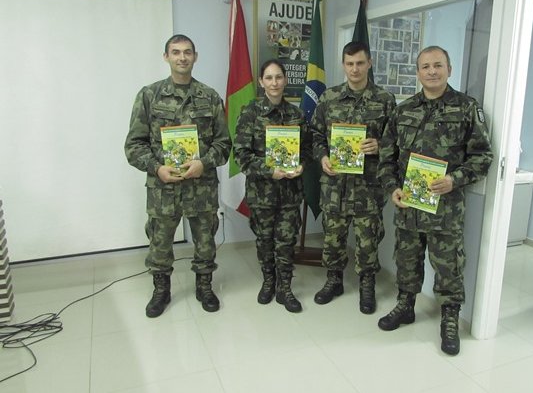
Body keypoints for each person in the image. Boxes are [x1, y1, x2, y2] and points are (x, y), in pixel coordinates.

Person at [376, 46, 492, 355]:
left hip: (446, 210)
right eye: (425, 66)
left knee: (448, 267)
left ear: (449, 69)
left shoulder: (467, 108)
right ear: (417, 72)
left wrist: (455, 179)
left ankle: (450, 320)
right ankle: (406, 305)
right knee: (407, 261)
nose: (431, 71)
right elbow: (387, 157)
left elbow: (483, 157)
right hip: (409, 207)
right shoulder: (403, 111)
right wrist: (392, 189)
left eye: (437, 65)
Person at [124, 34, 231, 318]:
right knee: (160, 243)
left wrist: (205, 164)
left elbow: (224, 145)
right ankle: (161, 290)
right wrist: (157, 167)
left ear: (195, 57)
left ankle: (205, 286)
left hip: (202, 186)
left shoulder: (210, 97)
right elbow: (133, 146)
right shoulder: (149, 95)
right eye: (176, 52)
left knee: (206, 241)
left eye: (187, 52)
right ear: (166, 57)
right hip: (163, 187)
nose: (182, 57)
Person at [310, 41, 396, 314]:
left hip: (368, 188)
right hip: (334, 186)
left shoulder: (385, 100)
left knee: (368, 240)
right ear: (343, 65)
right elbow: (315, 136)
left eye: (360, 63)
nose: (355, 69)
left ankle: (367, 285)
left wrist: (379, 145)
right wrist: (322, 156)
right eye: (350, 63)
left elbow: (397, 143)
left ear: (369, 63)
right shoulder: (329, 98)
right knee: (332, 238)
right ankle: (333, 280)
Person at [233, 59, 307, 313]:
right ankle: (268, 281)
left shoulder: (296, 115)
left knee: (286, 241)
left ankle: (285, 287)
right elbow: (241, 154)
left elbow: (305, 149)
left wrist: (302, 166)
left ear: (285, 80)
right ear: (262, 82)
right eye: (269, 78)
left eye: (278, 77)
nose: (274, 83)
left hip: (289, 193)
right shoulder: (249, 112)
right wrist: (269, 171)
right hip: (262, 192)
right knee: (264, 240)